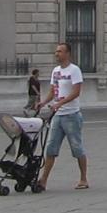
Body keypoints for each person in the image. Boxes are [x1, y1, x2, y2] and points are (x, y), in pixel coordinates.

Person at [35, 42, 87, 190]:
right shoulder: (55, 71)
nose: (57, 54)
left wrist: (60, 103)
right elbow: (53, 91)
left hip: (71, 115)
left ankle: (83, 178)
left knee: (77, 148)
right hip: (58, 116)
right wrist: (43, 102)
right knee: (51, 148)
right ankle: (43, 180)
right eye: (56, 51)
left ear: (67, 54)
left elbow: (76, 92)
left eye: (60, 51)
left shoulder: (74, 70)